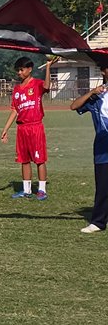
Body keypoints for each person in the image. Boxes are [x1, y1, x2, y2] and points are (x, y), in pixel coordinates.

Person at [2, 56, 55, 200]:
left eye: (21, 69)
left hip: (35, 127)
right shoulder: (17, 89)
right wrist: (6, 129)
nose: (19, 73)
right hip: (22, 129)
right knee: (24, 160)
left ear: (30, 69)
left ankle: (42, 190)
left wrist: (48, 67)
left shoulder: (37, 84)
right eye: (18, 70)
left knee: (39, 159)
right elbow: (15, 110)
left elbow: (47, 87)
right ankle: (26, 190)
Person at [71, 63, 108, 233]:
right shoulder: (97, 97)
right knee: (103, 186)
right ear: (103, 72)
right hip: (103, 148)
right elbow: (74, 106)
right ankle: (98, 222)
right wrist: (92, 92)